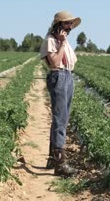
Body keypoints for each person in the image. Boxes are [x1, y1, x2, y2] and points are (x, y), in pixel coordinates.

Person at [39, 10, 80, 176]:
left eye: (70, 23)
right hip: (59, 76)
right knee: (60, 118)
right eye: (67, 23)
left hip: (67, 76)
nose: (70, 26)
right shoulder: (51, 40)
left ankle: (52, 158)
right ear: (58, 24)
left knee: (63, 118)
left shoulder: (63, 40)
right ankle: (60, 163)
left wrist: (63, 42)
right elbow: (54, 62)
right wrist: (62, 44)